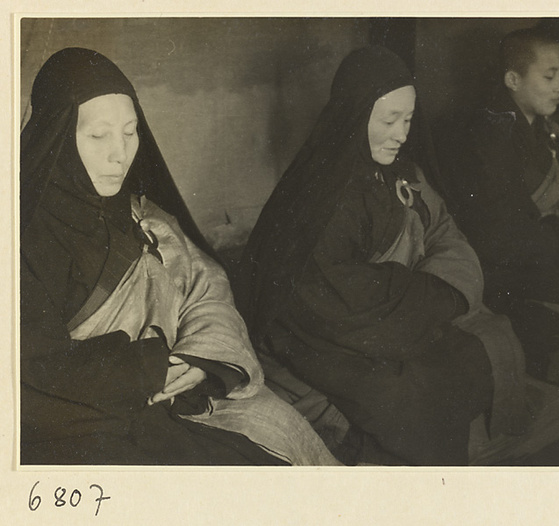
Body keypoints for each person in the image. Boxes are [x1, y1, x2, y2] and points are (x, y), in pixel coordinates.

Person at [20, 47, 339, 466]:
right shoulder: (21, 237)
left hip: (192, 389)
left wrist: (203, 359)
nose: (120, 153)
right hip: (96, 422)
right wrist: (148, 369)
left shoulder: (144, 217)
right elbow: (31, 371)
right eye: (98, 136)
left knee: (282, 431)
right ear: (58, 135)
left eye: (131, 132)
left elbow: (207, 290)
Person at [236, 46, 530, 466]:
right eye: (389, 120)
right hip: (320, 334)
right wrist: (432, 294)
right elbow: (329, 295)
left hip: (393, 315)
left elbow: (446, 230)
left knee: (486, 346)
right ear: (355, 116)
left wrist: (433, 292)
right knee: (412, 392)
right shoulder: (317, 195)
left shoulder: (402, 173)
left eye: (408, 120)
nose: (401, 134)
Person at [435, 27, 559, 384]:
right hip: (501, 263)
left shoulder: (542, 127)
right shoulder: (489, 136)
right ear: (513, 79)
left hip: (539, 244)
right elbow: (501, 232)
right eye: (549, 76)